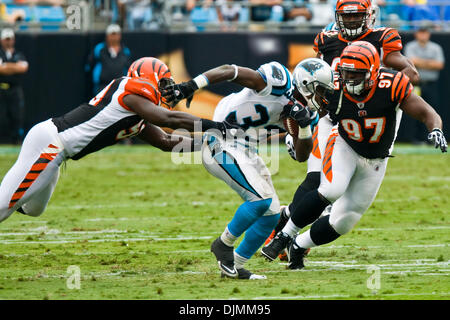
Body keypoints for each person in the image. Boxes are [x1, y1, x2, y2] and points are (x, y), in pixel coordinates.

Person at [262, 42, 447, 269]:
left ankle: (299, 245)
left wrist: (435, 128)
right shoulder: (334, 87)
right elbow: (310, 110)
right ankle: (285, 235)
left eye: (355, 74)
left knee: (344, 221)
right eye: (345, 72)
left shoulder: (391, 86)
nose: (348, 78)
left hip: (376, 160)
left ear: (372, 74)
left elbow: (427, 112)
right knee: (331, 189)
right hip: (344, 144)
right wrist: (298, 136)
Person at [0, 57, 239, 224]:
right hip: (50, 144)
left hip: (57, 150)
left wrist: (208, 141)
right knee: (4, 207)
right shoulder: (130, 91)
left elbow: (166, 141)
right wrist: (217, 126)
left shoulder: (136, 114)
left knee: (33, 209)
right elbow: (168, 118)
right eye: (164, 84)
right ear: (149, 78)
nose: (168, 91)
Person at [162, 58, 335, 279]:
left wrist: (302, 127)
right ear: (305, 84)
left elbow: (302, 156)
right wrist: (190, 86)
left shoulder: (309, 115)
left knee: (272, 214)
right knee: (259, 200)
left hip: (246, 148)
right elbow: (228, 70)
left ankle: (235, 265)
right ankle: (223, 244)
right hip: (220, 138)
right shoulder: (278, 81)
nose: (324, 97)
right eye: (321, 91)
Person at [404, 26, 445, 143]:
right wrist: (430, 63)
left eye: (425, 33)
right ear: (416, 34)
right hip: (416, 84)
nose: (423, 35)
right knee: (414, 111)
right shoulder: (411, 46)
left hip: (431, 84)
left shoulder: (435, 47)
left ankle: (431, 138)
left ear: (429, 34)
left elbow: (439, 65)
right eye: (421, 33)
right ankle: (415, 138)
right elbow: (411, 63)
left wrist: (420, 62)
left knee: (432, 110)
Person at [0, 28, 28, 145]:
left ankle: (16, 140)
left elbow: (23, 68)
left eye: (10, 39)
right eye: (6, 39)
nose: (8, 42)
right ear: (2, 40)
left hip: (15, 89)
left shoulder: (19, 54)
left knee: (17, 115)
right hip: (2, 88)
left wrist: (6, 66)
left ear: (13, 40)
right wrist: (14, 67)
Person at [86, 24, 132, 96]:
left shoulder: (126, 51)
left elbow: (129, 67)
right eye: (112, 34)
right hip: (102, 86)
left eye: (116, 34)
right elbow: (89, 65)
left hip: (120, 87)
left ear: (120, 36)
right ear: (107, 36)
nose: (114, 37)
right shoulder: (99, 49)